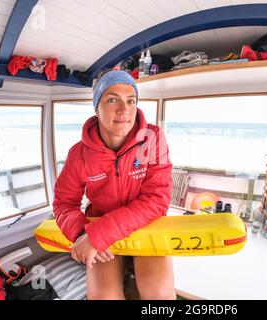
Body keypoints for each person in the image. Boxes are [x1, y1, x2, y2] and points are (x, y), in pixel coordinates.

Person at [52, 70, 175, 300]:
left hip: (146, 225)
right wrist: (81, 234)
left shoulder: (151, 138)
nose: (124, 110)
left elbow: (157, 199)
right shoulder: (79, 154)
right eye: (112, 99)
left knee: (158, 292)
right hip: (99, 228)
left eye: (131, 101)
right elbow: (63, 203)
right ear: (96, 108)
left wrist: (97, 236)